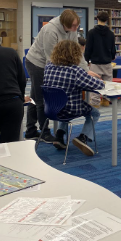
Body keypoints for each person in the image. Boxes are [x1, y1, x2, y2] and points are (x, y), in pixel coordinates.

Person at [25, 10, 100, 143]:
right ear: (64, 24)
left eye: (77, 26)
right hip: (37, 62)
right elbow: (52, 58)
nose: (75, 29)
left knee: (35, 97)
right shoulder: (50, 30)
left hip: (49, 64)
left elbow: (77, 51)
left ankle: (31, 131)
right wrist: (72, 72)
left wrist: (85, 70)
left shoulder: (72, 29)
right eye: (73, 26)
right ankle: (44, 132)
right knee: (41, 98)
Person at [43, 40, 105, 156]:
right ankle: (83, 137)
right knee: (94, 113)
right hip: (70, 109)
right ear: (76, 54)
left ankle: (59, 135)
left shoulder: (48, 67)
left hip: (51, 108)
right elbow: (99, 85)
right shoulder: (75, 71)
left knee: (63, 103)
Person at [0, 38, 30, 143]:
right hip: (13, 102)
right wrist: (20, 97)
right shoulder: (11, 52)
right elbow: (22, 80)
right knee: (10, 145)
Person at [84, 11, 116, 108]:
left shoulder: (91, 33)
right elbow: (113, 48)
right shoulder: (111, 34)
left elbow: (88, 48)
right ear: (107, 20)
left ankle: (95, 103)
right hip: (107, 62)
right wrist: (112, 56)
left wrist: (86, 60)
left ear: (97, 19)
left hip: (95, 62)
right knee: (108, 83)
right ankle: (106, 101)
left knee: (95, 84)